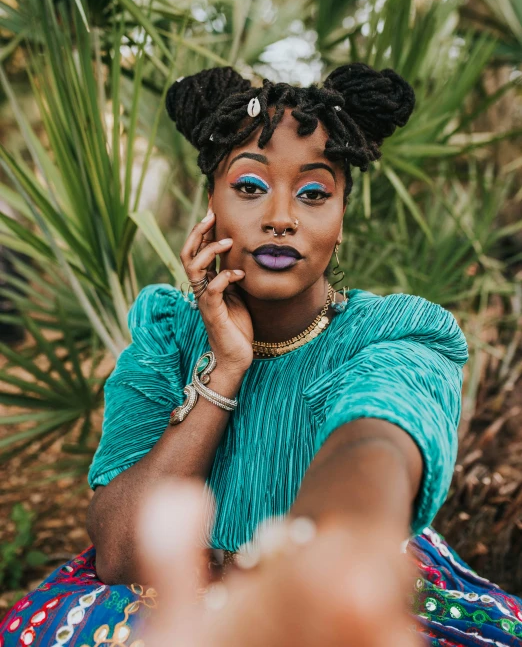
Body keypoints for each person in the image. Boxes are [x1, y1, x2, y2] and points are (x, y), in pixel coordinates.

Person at [1, 64, 521, 647]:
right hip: (165, 599)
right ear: (211, 206)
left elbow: (379, 432)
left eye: (314, 193)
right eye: (249, 187)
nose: (280, 217)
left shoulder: (393, 334)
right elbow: (120, 553)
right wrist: (225, 372)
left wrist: (325, 555)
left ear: (342, 215)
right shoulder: (168, 336)